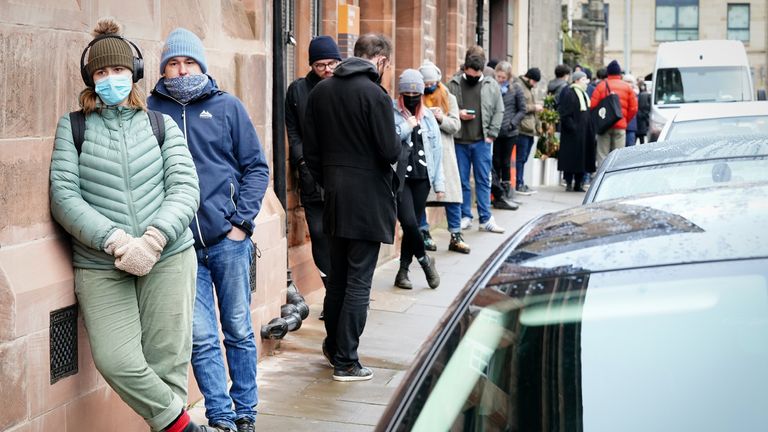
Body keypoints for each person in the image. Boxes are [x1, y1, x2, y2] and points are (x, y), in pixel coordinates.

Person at [50, 18, 207, 432]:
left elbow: (186, 187)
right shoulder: (74, 127)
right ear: (91, 79)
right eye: (102, 72)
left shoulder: (160, 125)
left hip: (168, 256)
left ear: (133, 74)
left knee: (167, 363)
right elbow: (64, 197)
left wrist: (154, 240)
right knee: (116, 359)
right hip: (102, 264)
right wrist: (117, 241)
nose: (111, 78)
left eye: (118, 70)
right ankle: (185, 428)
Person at [148, 28, 270, 432]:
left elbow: (256, 167)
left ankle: (245, 410)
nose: (181, 71)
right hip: (180, 247)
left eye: (188, 63)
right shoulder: (148, 110)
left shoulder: (227, 107)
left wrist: (242, 222)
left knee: (236, 329)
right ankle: (221, 416)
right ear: (163, 69)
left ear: (201, 64)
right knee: (200, 337)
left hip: (227, 242)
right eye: (173, 64)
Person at [303, 33, 401, 382]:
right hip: (367, 199)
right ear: (380, 61)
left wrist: (329, 181)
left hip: (334, 197)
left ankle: (333, 347)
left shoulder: (320, 92)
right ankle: (346, 360)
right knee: (359, 281)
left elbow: (310, 153)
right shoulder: (375, 95)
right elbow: (390, 151)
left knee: (339, 279)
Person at [285, 36, 342, 319]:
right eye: (321, 65)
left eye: (332, 63)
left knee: (342, 235)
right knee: (319, 234)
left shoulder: (346, 86)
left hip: (342, 174)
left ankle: (348, 294)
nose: (328, 69)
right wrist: (301, 160)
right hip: (311, 174)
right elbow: (293, 130)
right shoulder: (298, 91)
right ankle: (333, 294)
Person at [391, 69, 444, 290]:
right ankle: (424, 262)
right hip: (401, 178)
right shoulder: (392, 111)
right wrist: (407, 125)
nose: (412, 99)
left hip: (423, 178)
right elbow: (390, 138)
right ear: (401, 95)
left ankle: (403, 272)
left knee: (413, 225)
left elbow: (437, 150)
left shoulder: (429, 116)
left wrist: (439, 184)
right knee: (410, 223)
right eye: (407, 95)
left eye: (416, 95)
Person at [447, 47, 506, 234]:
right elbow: (444, 108)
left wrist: (492, 135)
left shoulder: (491, 85)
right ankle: (466, 216)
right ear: (465, 68)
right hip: (459, 141)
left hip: (482, 141)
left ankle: (485, 218)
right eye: (470, 75)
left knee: (483, 180)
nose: (474, 78)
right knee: (462, 181)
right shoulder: (453, 84)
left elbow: (499, 110)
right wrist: (458, 114)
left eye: (477, 76)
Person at [417, 60, 470, 254]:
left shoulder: (449, 97)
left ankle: (456, 235)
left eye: (431, 82)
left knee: (452, 194)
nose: (428, 86)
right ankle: (423, 232)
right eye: (425, 83)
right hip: (423, 151)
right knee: (421, 194)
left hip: (445, 153)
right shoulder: (415, 96)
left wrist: (440, 118)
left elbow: (455, 125)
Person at [590, 60, 638, 166]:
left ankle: (602, 178)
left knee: (603, 154)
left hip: (604, 125)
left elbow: (593, 106)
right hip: (620, 125)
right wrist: (625, 119)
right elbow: (634, 108)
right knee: (618, 155)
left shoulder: (601, 86)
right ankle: (616, 177)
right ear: (619, 73)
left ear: (608, 72)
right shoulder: (627, 87)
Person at [492, 61, 526, 210]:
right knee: (495, 162)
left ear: (508, 76)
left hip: (510, 132)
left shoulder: (516, 89)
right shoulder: (492, 88)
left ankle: (506, 194)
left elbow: (522, 110)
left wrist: (512, 123)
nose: (500, 79)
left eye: (502, 77)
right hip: (495, 130)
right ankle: (496, 194)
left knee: (505, 162)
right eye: (498, 76)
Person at [557, 71, 597, 192]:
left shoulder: (584, 94)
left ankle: (578, 183)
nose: (586, 82)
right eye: (584, 79)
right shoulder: (570, 93)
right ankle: (569, 182)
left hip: (584, 133)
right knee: (571, 159)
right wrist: (573, 128)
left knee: (582, 159)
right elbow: (565, 114)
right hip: (573, 134)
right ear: (577, 80)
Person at [513, 67, 543, 195]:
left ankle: (521, 181)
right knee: (521, 157)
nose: (535, 85)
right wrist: (534, 107)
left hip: (529, 128)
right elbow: (520, 106)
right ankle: (518, 183)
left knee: (524, 158)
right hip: (522, 128)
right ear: (529, 78)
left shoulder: (528, 88)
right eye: (535, 82)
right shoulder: (519, 86)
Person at [622, 74, 640, 147]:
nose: (628, 84)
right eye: (627, 82)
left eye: (630, 82)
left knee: (629, 147)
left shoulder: (636, 94)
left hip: (630, 124)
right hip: (625, 124)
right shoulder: (635, 94)